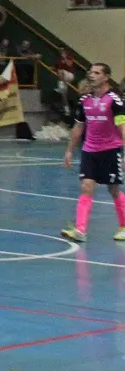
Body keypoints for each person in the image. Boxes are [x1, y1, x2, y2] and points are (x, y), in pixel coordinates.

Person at [61, 63, 125, 243]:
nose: (92, 75)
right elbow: (78, 126)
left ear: (106, 77)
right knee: (86, 186)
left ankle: (124, 226)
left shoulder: (114, 100)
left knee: (113, 189)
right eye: (90, 72)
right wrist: (69, 150)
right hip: (90, 150)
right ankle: (80, 230)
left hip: (110, 150)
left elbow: (122, 126)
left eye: (97, 73)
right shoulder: (84, 101)